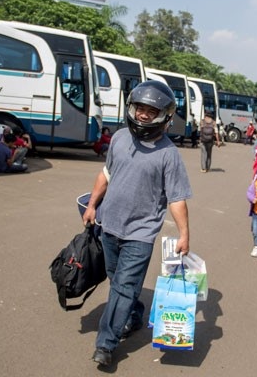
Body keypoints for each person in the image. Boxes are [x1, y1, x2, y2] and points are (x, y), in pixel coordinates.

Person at [81, 80, 192, 367]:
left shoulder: (169, 154)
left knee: (122, 286)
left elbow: (177, 199)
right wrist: (92, 205)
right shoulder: (119, 138)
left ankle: (106, 343)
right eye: (139, 108)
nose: (142, 115)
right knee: (116, 278)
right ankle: (133, 312)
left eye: (150, 110)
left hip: (140, 235)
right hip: (109, 226)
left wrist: (184, 234)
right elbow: (105, 175)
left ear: (164, 117)